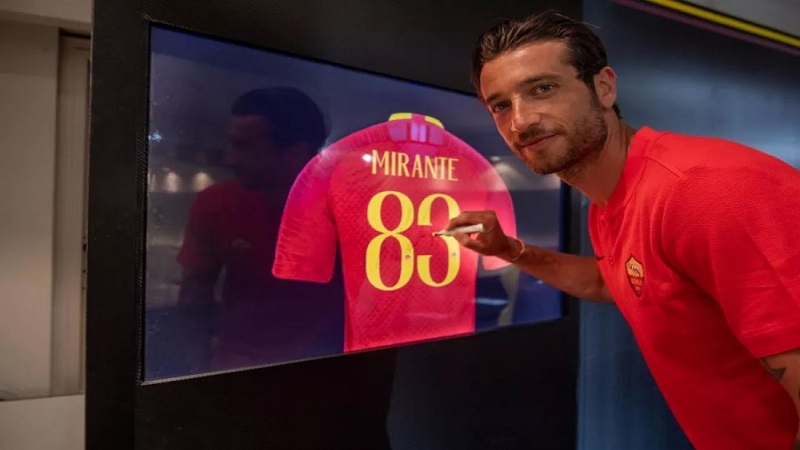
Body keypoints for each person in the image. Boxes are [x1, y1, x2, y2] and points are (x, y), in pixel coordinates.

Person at [445, 10, 800, 450]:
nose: (520, 121)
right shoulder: (611, 201)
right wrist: (509, 249)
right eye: (500, 106)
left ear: (604, 87)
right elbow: (611, 281)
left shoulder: (705, 191)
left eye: (542, 88)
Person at [176, 87, 344, 371]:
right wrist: (196, 369)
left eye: (244, 147)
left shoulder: (346, 209)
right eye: (231, 144)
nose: (230, 158)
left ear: (295, 154)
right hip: (235, 368)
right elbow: (196, 290)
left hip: (325, 367)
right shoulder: (216, 202)